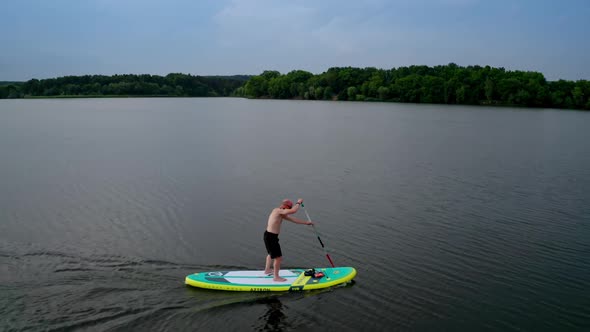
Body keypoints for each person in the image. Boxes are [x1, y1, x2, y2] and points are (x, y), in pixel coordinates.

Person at [264, 198, 313, 281]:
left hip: (270, 236)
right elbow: (294, 211)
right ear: (286, 207)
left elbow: (293, 219)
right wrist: (298, 203)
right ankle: (276, 277)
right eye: (289, 208)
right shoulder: (277, 211)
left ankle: (267, 270)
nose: (289, 210)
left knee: (271, 254)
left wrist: (306, 223)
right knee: (278, 257)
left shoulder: (281, 213)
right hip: (271, 237)